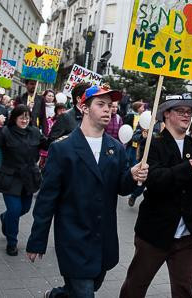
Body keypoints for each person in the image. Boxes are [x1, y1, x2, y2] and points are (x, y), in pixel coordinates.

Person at [26, 85, 148, 298]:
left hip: (103, 239)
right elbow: (47, 200)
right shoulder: (62, 149)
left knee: (89, 287)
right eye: (100, 104)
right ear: (83, 108)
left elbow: (121, 187)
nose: (107, 110)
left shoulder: (116, 148)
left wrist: (132, 176)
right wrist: (38, 239)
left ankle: (57, 295)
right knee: (84, 292)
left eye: (110, 106)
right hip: (74, 239)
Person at [120, 95, 192, 298]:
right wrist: (188, 168)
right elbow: (155, 180)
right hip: (155, 232)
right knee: (136, 286)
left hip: (187, 235)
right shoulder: (154, 145)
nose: (187, 115)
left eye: (189, 112)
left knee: (184, 290)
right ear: (167, 114)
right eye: (181, 111)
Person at [0, 105, 47, 256]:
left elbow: (46, 143)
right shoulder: (6, 132)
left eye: (27, 117)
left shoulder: (34, 131)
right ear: (14, 117)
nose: (24, 120)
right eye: (21, 117)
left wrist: (63, 139)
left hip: (29, 178)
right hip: (10, 177)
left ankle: (5, 217)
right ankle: (12, 242)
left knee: (24, 209)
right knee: (14, 210)